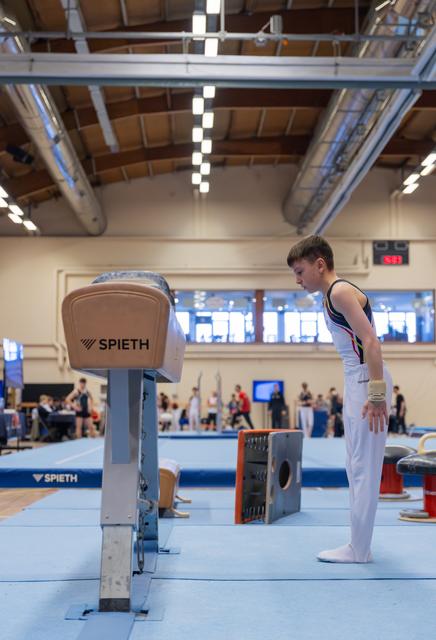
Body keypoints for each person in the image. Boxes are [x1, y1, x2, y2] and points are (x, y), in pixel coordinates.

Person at [287, 235, 392, 564]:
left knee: (364, 468)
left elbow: (372, 341)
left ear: (320, 264)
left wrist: (376, 395)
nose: (298, 280)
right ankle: (359, 544)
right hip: (356, 379)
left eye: (301, 271)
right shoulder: (328, 297)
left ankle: (359, 550)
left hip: (366, 379)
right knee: (355, 466)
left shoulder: (340, 291)